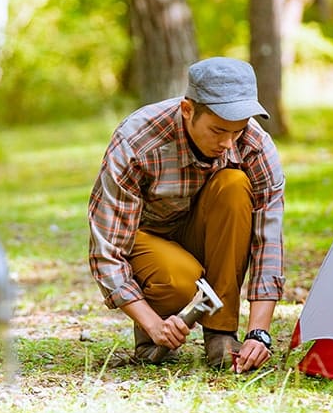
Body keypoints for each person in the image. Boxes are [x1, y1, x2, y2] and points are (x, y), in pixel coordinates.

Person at [88, 57, 285, 373]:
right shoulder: (136, 141)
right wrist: (152, 323)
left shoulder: (255, 144)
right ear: (187, 110)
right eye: (218, 130)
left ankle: (221, 334)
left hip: (204, 231)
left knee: (234, 184)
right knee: (181, 280)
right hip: (147, 239)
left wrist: (258, 333)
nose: (228, 143)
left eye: (237, 131)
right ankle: (156, 333)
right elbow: (107, 252)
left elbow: (268, 242)